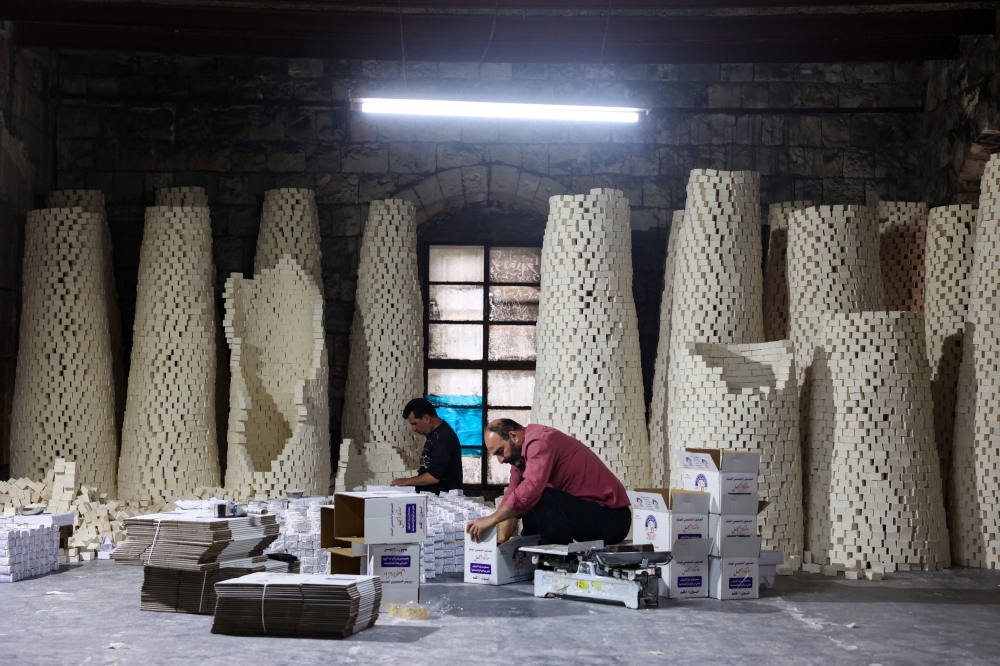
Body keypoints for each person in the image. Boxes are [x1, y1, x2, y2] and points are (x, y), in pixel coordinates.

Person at [466, 419, 631, 546]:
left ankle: (554, 563)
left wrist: (491, 519)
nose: (501, 460)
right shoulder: (520, 460)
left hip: (612, 520)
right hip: (584, 515)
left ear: (514, 436)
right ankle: (528, 557)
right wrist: (500, 540)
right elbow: (512, 495)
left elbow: (529, 492)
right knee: (524, 500)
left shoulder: (540, 442)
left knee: (539, 496)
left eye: (501, 452)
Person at [390, 398, 463, 494]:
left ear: (426, 419)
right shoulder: (435, 435)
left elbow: (434, 477)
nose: (413, 429)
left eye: (415, 424)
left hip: (442, 500)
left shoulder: (443, 438)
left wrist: (407, 481)